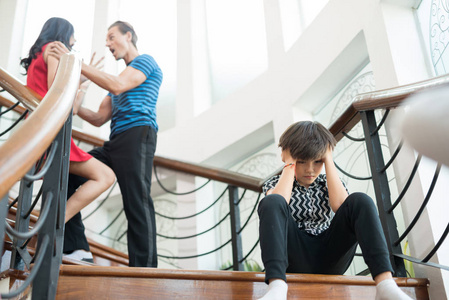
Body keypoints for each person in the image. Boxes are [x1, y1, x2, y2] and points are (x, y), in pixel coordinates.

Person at [48, 21, 163, 267]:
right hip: (115, 141)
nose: (107, 44)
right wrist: (79, 97)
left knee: (136, 202)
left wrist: (78, 63)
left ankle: (145, 272)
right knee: (68, 175)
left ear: (128, 35)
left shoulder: (144, 63)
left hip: (137, 136)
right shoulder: (119, 79)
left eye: (112, 37)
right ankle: (76, 247)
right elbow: (99, 118)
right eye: (106, 39)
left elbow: (117, 85)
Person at [257, 121, 412, 300]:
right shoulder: (276, 185)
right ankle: (277, 288)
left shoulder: (327, 183)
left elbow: (340, 205)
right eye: (301, 161)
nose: (310, 169)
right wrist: (290, 164)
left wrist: (328, 158)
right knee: (272, 201)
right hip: (293, 256)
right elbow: (279, 201)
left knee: (360, 200)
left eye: (317, 161)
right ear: (288, 157)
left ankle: (385, 285)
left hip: (329, 256)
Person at [20, 17, 115, 262]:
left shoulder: (38, 56)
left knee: (77, 182)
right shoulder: (54, 48)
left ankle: (49, 225)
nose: (74, 42)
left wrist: (82, 78)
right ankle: (50, 224)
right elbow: (57, 91)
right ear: (63, 33)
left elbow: (56, 90)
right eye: (72, 36)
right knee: (105, 176)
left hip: (41, 130)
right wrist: (78, 80)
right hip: (52, 131)